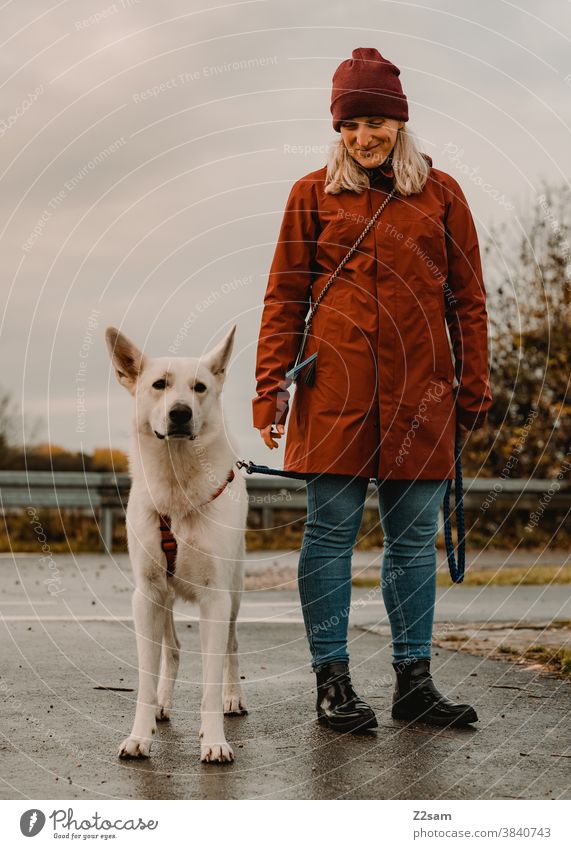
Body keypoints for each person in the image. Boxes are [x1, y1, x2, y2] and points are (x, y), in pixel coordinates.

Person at [252, 47, 492, 732]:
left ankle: (413, 684)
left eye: (376, 122)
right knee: (328, 533)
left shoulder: (442, 193)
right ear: (338, 128)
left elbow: (467, 300)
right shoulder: (310, 194)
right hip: (334, 394)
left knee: (413, 540)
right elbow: (284, 296)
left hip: (423, 394)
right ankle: (332, 684)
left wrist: (470, 385)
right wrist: (270, 385)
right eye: (351, 124)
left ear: (399, 122)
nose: (363, 137)